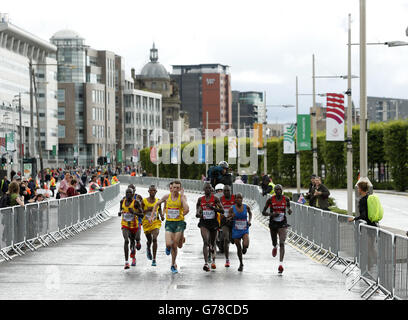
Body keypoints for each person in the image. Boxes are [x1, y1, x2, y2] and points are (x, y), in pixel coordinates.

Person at [152, 180, 189, 274]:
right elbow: (157, 204)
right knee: (169, 244)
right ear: (171, 188)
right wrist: (153, 215)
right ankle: (169, 248)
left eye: (177, 188)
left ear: (180, 189)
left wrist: (180, 215)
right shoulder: (166, 196)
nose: (175, 190)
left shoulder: (182, 197)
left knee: (175, 245)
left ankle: (173, 264)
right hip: (169, 223)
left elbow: (187, 209)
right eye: (174, 188)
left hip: (179, 223)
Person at [262, 184, 292, 274]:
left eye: (280, 189)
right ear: (275, 191)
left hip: (282, 223)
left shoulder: (286, 199)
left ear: (282, 190)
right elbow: (263, 212)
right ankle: (274, 246)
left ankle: (280, 264)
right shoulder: (270, 200)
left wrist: (290, 210)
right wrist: (272, 214)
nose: (278, 191)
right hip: (273, 223)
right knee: (274, 242)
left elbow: (289, 209)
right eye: (277, 190)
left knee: (282, 243)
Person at [196, 182, 224, 272]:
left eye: (209, 188)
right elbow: (198, 209)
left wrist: (213, 208)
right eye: (206, 188)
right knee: (205, 241)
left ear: (211, 190)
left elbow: (222, 210)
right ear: (204, 189)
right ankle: (205, 263)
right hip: (204, 223)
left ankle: (213, 261)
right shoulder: (200, 199)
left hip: (213, 223)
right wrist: (198, 213)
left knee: (213, 243)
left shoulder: (215, 199)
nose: (207, 189)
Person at [118, 188, 144, 269]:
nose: (128, 194)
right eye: (127, 192)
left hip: (135, 225)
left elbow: (142, 214)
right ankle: (126, 262)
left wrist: (134, 212)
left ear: (133, 194)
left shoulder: (136, 202)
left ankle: (135, 248)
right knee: (126, 240)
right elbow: (121, 210)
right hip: (125, 225)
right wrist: (119, 213)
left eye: (130, 192)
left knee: (135, 240)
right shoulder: (122, 201)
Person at [227, 193, 252, 272]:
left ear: (242, 199)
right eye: (237, 198)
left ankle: (244, 248)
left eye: (240, 198)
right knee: (238, 248)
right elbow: (228, 218)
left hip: (244, 229)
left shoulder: (246, 207)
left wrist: (249, 221)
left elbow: (250, 213)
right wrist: (231, 216)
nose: (239, 199)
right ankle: (241, 263)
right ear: (235, 199)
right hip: (236, 230)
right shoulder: (232, 208)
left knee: (245, 245)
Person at [142, 185, 164, 266]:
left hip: (155, 222)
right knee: (149, 240)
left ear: (156, 192)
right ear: (148, 191)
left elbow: (159, 209)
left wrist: (161, 216)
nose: (153, 192)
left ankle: (154, 259)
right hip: (146, 223)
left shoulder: (158, 200)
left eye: (154, 191)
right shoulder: (144, 201)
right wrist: (148, 209)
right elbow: (140, 211)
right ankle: (148, 248)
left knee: (154, 239)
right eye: (151, 190)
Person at [219, 185, 235, 268]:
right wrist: (222, 215)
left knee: (234, 239)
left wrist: (231, 216)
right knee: (226, 238)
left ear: (230, 191)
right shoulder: (221, 199)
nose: (226, 192)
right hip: (225, 222)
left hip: (233, 221)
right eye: (224, 191)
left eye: (228, 191)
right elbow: (219, 210)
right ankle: (227, 259)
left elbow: (237, 209)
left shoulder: (234, 198)